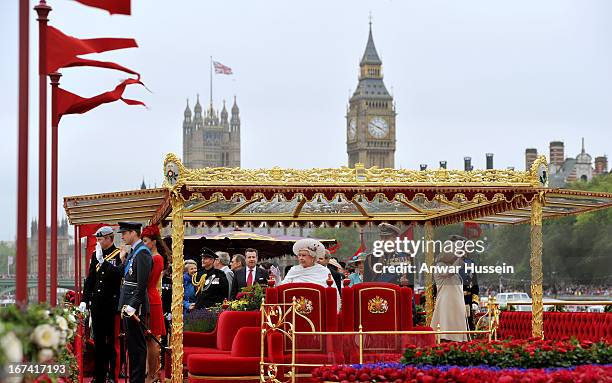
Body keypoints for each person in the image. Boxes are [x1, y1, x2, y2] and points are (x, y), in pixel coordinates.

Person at [80, 226, 122, 383]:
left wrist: (103, 262)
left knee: (110, 341)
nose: (97, 242)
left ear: (109, 239)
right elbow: (91, 279)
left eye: (100, 239)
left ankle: (111, 374)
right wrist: (85, 299)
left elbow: (118, 276)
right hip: (97, 303)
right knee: (98, 341)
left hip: (111, 303)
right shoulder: (94, 255)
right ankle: (99, 375)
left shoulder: (118, 254)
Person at [117, 221, 153, 383]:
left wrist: (133, 304)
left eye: (124, 233)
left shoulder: (143, 253)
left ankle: (137, 380)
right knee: (131, 346)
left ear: (133, 233)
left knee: (137, 347)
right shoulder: (134, 252)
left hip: (134, 306)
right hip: (128, 304)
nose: (123, 236)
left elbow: (141, 284)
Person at [141, 225, 170, 383]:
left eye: (145, 241)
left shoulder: (156, 258)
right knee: (149, 340)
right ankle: (150, 372)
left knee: (152, 340)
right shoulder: (152, 257)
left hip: (151, 300)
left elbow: (148, 281)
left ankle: (152, 374)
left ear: (153, 242)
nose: (144, 244)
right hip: (150, 298)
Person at [281, 239, 341, 311]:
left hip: (318, 309)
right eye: (299, 255)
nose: (301, 258)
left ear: (312, 257)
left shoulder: (324, 271)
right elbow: (283, 288)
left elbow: (332, 292)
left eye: (304, 255)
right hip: (295, 309)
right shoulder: (293, 270)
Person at [430, 249, 468, 342]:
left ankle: (458, 340)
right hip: (447, 301)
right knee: (447, 325)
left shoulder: (450, 266)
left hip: (455, 301)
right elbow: (450, 271)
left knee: (456, 324)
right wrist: (460, 257)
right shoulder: (440, 266)